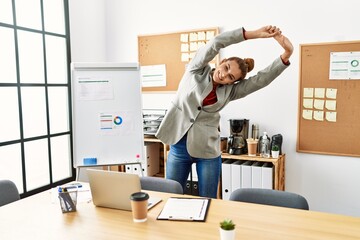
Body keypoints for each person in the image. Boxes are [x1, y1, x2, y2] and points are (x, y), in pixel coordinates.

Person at [155, 25, 294, 198]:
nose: (224, 75)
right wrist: (255, 34)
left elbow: (260, 80)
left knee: (209, 201)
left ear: (231, 83)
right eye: (226, 68)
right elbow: (216, 42)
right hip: (178, 145)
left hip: (208, 152)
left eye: (231, 77)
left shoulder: (229, 92)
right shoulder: (196, 69)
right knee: (170, 197)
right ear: (222, 62)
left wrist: (286, 54)